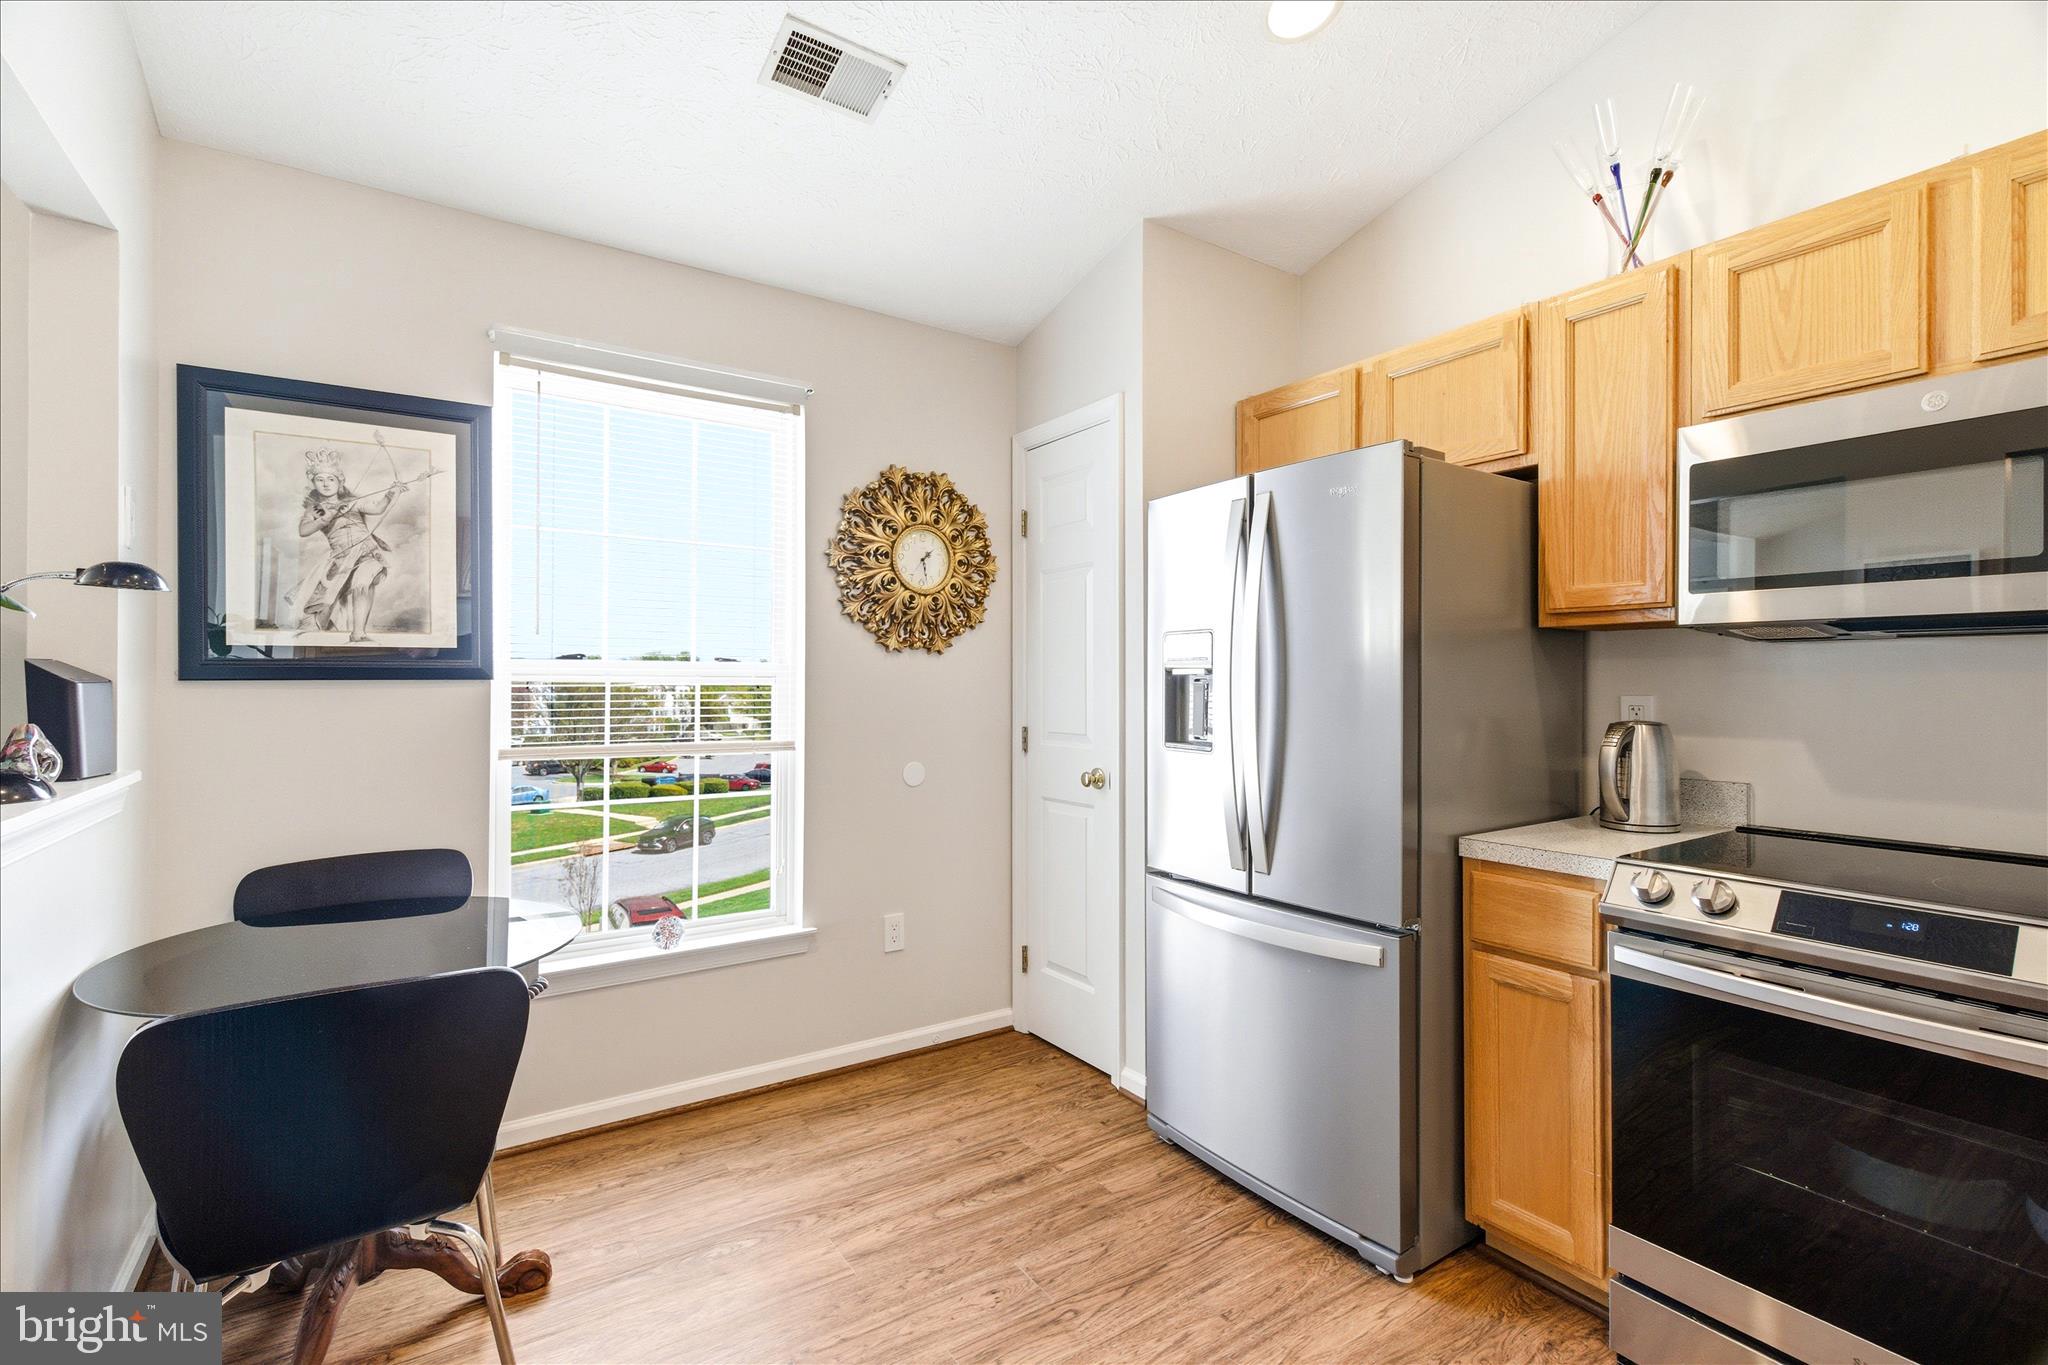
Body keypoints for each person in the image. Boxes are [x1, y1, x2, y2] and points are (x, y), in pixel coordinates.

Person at [286, 448, 412, 642]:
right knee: (325, 602)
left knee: (362, 583)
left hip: (367, 552)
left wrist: (391, 493)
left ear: (340, 481)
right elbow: (303, 530)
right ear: (313, 482)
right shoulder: (316, 509)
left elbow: (377, 508)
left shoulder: (352, 503)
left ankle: (358, 634)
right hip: (340, 559)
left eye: (331, 479)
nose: (326, 483)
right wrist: (325, 518)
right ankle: (323, 630)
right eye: (320, 479)